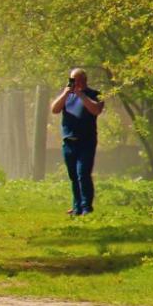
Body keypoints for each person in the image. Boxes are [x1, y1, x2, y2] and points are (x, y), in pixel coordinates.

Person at [50, 68, 105, 215]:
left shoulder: (95, 94)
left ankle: (86, 206)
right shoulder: (67, 95)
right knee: (73, 175)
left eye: (77, 80)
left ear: (84, 80)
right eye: (72, 80)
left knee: (83, 173)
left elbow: (96, 110)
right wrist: (66, 93)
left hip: (86, 141)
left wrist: (81, 94)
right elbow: (54, 109)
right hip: (69, 141)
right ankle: (77, 207)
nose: (75, 83)